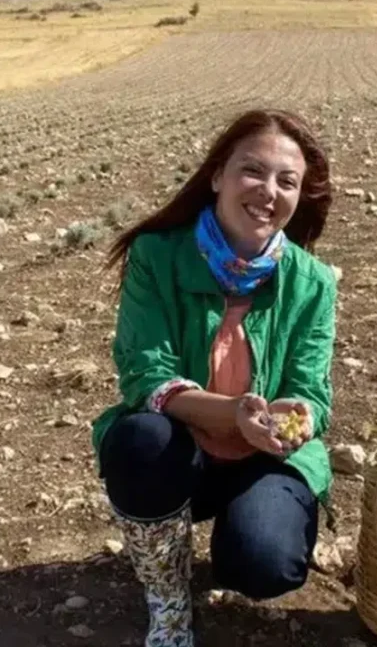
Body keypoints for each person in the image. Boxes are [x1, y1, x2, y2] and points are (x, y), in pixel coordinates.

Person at [89, 108, 338, 647]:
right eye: (253, 171)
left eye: (286, 181)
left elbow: (310, 387)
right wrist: (233, 415)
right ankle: (169, 599)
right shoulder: (157, 256)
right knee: (139, 438)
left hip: (264, 458)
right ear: (217, 175)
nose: (268, 191)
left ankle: (242, 533)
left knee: (262, 565)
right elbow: (145, 374)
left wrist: (289, 418)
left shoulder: (313, 282)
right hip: (183, 453)